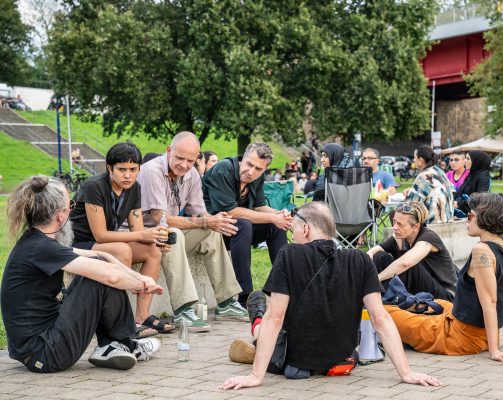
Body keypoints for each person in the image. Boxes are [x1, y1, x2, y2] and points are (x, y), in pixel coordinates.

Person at [221, 202, 441, 389]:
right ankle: (257, 320)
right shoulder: (360, 260)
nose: (293, 236)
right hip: (341, 357)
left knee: (265, 318)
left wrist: (255, 377)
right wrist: (406, 373)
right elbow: (380, 318)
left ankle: (256, 320)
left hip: (295, 359)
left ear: (305, 229)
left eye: (294, 231)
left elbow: (275, 318)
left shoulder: (289, 254)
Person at [1, 176, 161, 372]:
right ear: (60, 215)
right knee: (100, 277)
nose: (71, 211)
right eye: (71, 206)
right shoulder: (41, 248)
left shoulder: (36, 241)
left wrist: (139, 277)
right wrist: (142, 286)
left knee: (100, 266)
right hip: (45, 354)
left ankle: (112, 346)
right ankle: (124, 345)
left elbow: (99, 254)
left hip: (42, 342)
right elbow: (111, 277)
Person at [385, 193, 503, 361]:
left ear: (486, 219)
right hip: (480, 333)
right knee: (437, 303)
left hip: (461, 338)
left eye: (470, 216)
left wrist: (494, 351)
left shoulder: (482, 251)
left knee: (384, 313)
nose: (466, 219)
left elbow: (490, 302)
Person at [138, 132, 248, 331]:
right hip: (142, 235)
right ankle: (183, 309)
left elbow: (199, 213)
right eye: (179, 158)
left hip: (166, 234)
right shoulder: (152, 171)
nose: (184, 165)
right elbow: (159, 219)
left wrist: (215, 222)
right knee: (174, 234)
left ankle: (226, 302)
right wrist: (206, 221)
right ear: (169, 151)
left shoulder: (192, 174)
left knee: (212, 233)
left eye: (190, 160)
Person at [69, 142, 170, 337]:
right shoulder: (94, 186)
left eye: (133, 169)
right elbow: (100, 234)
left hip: (106, 244)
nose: (128, 175)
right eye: (122, 169)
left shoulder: (134, 188)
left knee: (153, 251)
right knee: (122, 250)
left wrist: (154, 239)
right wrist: (143, 235)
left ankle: (141, 316)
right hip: (80, 243)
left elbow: (138, 229)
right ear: (109, 168)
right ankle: (119, 323)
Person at [202, 143, 291, 307]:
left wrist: (280, 215)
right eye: (249, 164)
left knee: (275, 226)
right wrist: (271, 218)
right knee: (243, 224)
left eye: (258, 169)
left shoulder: (256, 177)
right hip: (211, 227)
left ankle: (283, 288)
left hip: (236, 231)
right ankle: (246, 296)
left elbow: (260, 207)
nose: (251, 172)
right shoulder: (223, 169)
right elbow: (231, 212)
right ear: (243, 158)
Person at [367, 202, 456, 300]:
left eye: (400, 224)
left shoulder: (428, 238)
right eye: (394, 222)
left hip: (445, 295)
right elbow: (373, 251)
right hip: (421, 289)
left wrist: (376, 279)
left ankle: (381, 300)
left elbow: (405, 263)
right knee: (380, 256)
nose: (395, 227)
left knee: (407, 264)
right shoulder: (400, 237)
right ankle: (374, 296)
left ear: (416, 227)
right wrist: (369, 261)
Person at [403, 145, 453, 224]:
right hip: (447, 221)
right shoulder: (440, 171)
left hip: (432, 224)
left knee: (397, 214)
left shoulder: (424, 175)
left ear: (421, 160)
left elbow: (410, 204)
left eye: (415, 157)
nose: (413, 160)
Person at [453, 150, 492, 216]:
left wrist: (458, 204)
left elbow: (481, 200)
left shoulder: (484, 177)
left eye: (468, 159)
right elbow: (460, 192)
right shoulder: (472, 174)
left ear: (477, 161)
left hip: (474, 217)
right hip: (463, 212)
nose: (465, 161)